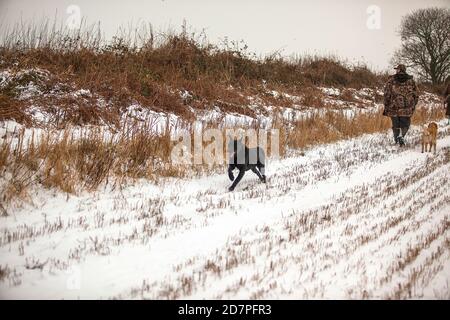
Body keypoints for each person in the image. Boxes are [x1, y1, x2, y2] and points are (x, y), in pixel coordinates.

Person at [383, 64, 419, 146]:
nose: (396, 71)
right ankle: (401, 136)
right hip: (407, 108)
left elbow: (386, 94)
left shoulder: (391, 80)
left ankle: (396, 140)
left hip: (393, 107)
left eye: (397, 69)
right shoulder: (411, 81)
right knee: (406, 124)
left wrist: (386, 104)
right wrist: (413, 104)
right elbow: (416, 94)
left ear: (399, 70)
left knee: (395, 124)